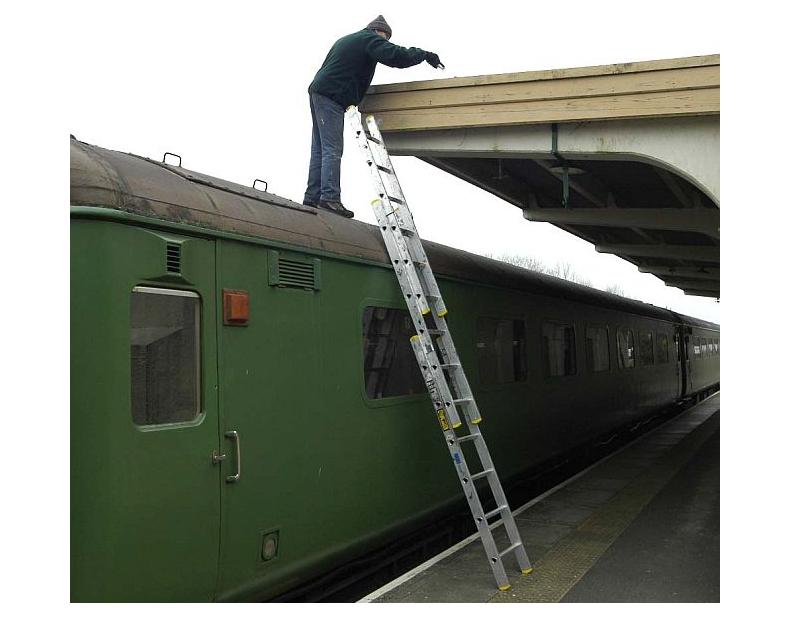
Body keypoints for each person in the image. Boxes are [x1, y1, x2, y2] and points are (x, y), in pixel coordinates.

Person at [302, 15, 444, 218]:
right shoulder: (369, 39)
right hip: (331, 96)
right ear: (381, 32)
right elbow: (395, 56)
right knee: (332, 149)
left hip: (319, 92)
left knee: (320, 149)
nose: (385, 42)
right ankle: (329, 198)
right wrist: (424, 55)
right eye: (385, 39)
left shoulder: (349, 39)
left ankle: (312, 197)